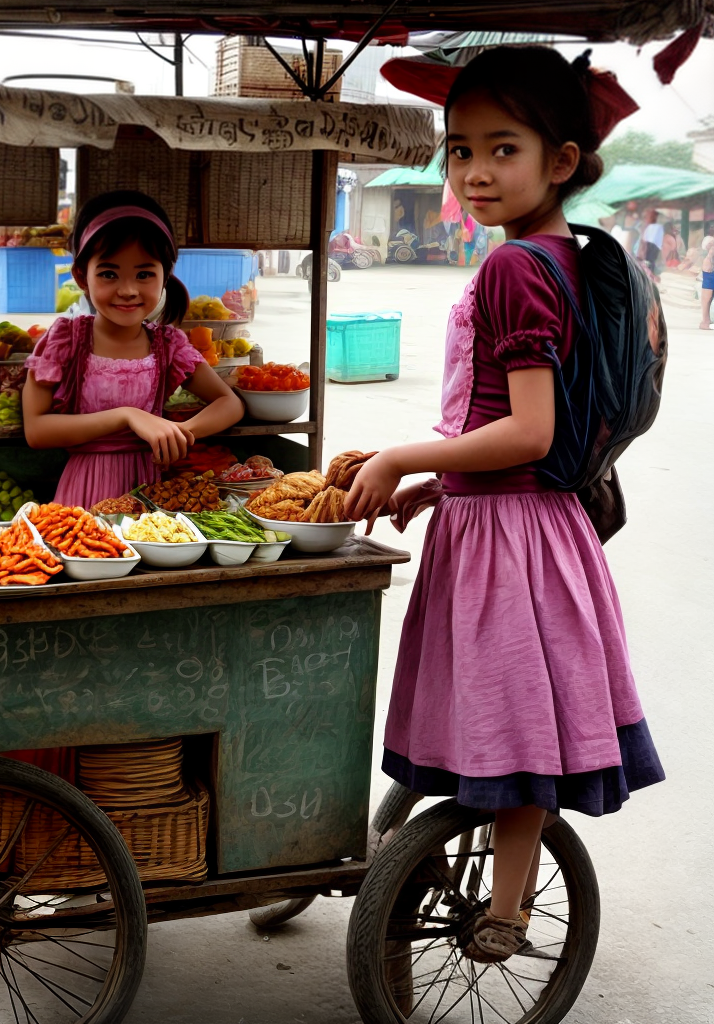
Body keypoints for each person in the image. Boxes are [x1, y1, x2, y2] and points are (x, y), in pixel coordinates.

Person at [345, 46, 664, 965]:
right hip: (522, 522)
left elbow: (528, 433)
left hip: (511, 536)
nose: (475, 172)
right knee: (518, 726)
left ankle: (510, 909)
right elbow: (514, 431)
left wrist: (405, 451)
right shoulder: (562, 255)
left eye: (502, 149)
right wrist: (433, 484)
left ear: (560, 161)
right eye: (458, 150)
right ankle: (508, 906)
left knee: (509, 725)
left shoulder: (517, 268)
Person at [22, 190, 244, 509]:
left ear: (164, 276)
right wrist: (128, 416)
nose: (127, 290)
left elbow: (229, 402)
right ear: (82, 277)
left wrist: (178, 432)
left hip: (152, 500)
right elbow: (37, 430)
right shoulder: (65, 340)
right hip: (85, 495)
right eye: (109, 274)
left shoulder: (167, 345)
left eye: (144, 274)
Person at [638, 208, 664, 275]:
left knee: (648, 262)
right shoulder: (653, 226)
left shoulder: (657, 227)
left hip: (651, 247)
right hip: (651, 247)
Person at [699, 224, 714, 330]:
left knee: (707, 296)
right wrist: (709, 258)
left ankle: (705, 320)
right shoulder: (710, 241)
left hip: (709, 266)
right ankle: (705, 321)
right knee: (707, 296)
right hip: (710, 267)